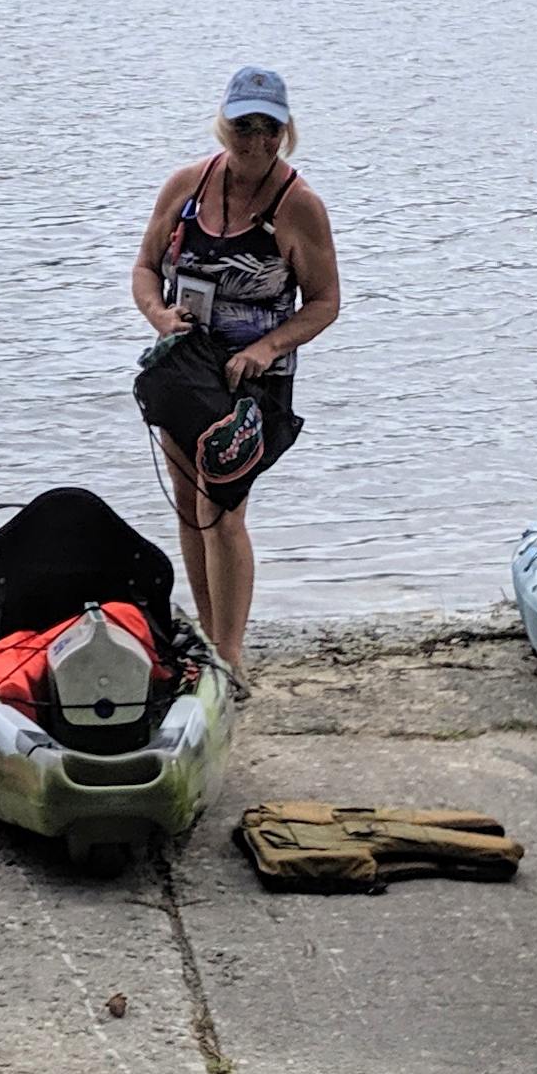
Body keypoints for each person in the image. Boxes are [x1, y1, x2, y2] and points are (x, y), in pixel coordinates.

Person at [130, 66, 341, 677]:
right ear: (225, 123)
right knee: (189, 508)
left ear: (285, 131)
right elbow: (145, 267)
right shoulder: (187, 186)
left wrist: (267, 348)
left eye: (269, 128)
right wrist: (159, 315)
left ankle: (230, 656)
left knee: (223, 512)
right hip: (186, 367)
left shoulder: (298, 206)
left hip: (252, 385)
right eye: (244, 126)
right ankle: (207, 635)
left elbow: (324, 303)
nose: (256, 141)